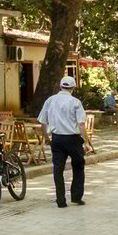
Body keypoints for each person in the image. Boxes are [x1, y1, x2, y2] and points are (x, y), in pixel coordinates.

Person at [37, 75, 86, 208]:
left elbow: (43, 121)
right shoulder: (75, 102)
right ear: (73, 88)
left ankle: (61, 200)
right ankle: (76, 196)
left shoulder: (50, 100)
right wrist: (85, 142)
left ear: (60, 86)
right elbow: (81, 124)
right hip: (73, 139)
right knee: (78, 166)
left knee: (58, 169)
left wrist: (46, 138)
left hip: (57, 138)